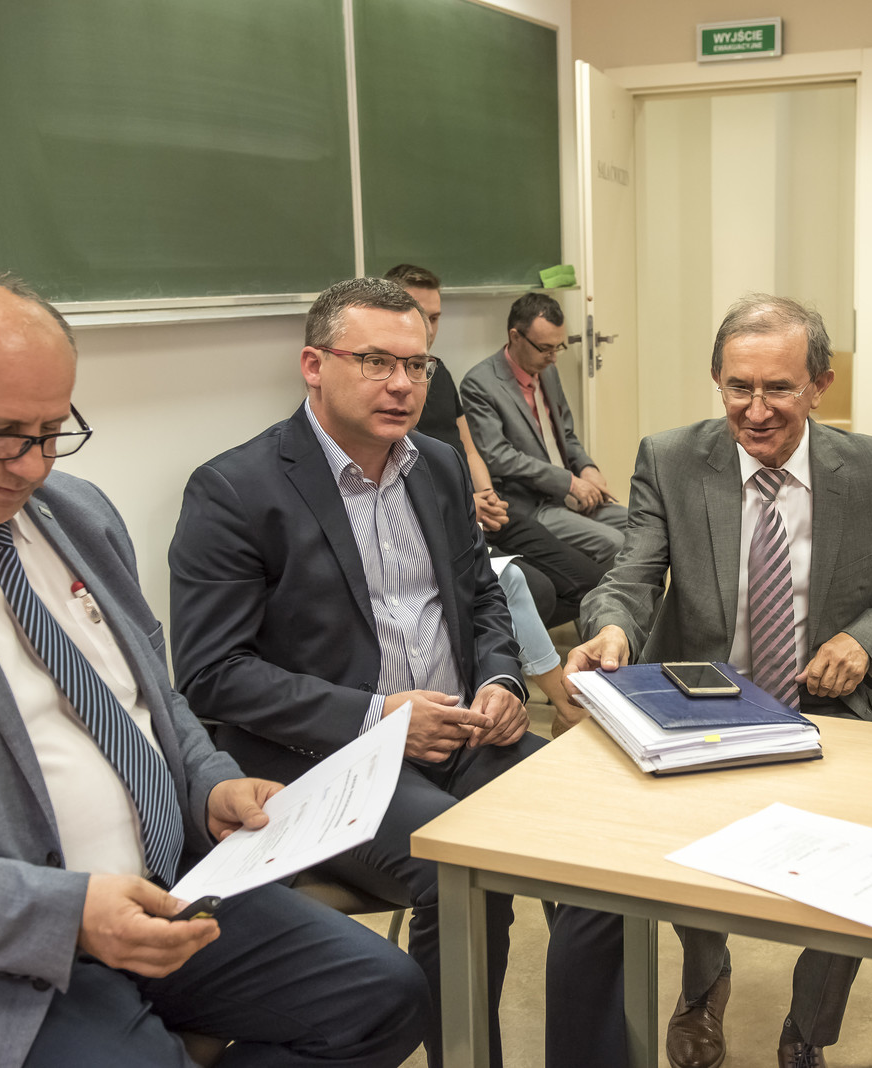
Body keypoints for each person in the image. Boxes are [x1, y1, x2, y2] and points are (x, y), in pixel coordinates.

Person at [0, 278, 428, 1068]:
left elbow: (148, 696)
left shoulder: (77, 513)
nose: (31, 467)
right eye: (0, 436)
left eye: (52, 431)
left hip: (162, 887)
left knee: (384, 995)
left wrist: (208, 783)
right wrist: (64, 913)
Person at [167, 277, 625, 1068]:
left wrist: (502, 681)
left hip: (464, 731)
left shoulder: (437, 466)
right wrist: (377, 716)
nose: (403, 384)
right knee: (460, 863)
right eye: (376, 362)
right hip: (328, 759)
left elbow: (482, 594)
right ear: (314, 365)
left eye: (416, 365)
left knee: (599, 847)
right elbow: (212, 674)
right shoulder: (236, 489)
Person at [566, 295, 872, 1068]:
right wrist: (611, 630)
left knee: (856, 859)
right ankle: (704, 985)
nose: (757, 409)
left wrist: (867, 639)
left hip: (831, 710)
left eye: (779, 389)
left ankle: (807, 1028)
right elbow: (631, 577)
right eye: (739, 387)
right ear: (717, 379)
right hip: (703, 702)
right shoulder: (671, 458)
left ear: (820, 386)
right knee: (687, 848)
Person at [384, 263, 601, 733]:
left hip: (480, 506)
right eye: (418, 312)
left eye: (435, 316)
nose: (428, 326)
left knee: (587, 575)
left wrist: (481, 492)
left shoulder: (437, 374)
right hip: (452, 514)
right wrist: (469, 501)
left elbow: (468, 447)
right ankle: (560, 704)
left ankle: (583, 692)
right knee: (529, 587)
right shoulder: (392, 392)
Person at [461, 293, 629, 565]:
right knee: (615, 542)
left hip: (568, 493)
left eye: (557, 347)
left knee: (644, 526)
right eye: (545, 348)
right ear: (515, 337)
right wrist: (569, 482)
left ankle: (651, 597)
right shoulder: (480, 384)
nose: (553, 358)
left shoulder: (547, 371)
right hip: (532, 503)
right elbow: (499, 457)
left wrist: (587, 468)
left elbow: (567, 434)